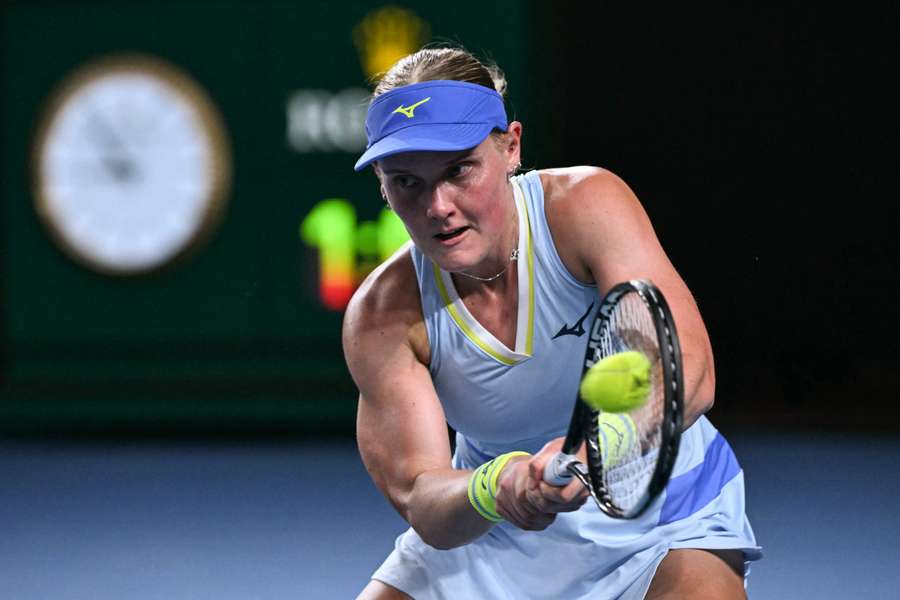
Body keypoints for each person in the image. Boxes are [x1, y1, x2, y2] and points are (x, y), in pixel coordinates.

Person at [342, 46, 760, 600]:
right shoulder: (381, 316)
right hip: (496, 538)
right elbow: (427, 504)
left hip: (661, 514)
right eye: (406, 182)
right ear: (382, 186)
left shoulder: (586, 206)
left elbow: (689, 373)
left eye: (458, 170)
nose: (437, 206)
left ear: (511, 145)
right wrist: (496, 487)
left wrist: (593, 451)